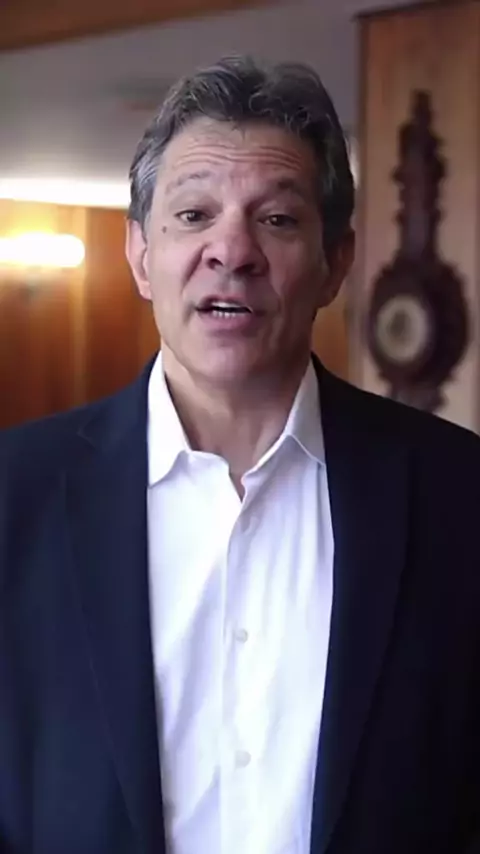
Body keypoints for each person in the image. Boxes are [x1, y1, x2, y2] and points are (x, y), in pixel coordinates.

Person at [0, 54, 479, 854]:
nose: (232, 251)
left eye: (278, 220)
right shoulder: (15, 497)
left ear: (336, 263)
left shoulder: (457, 495)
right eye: (193, 215)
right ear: (139, 255)